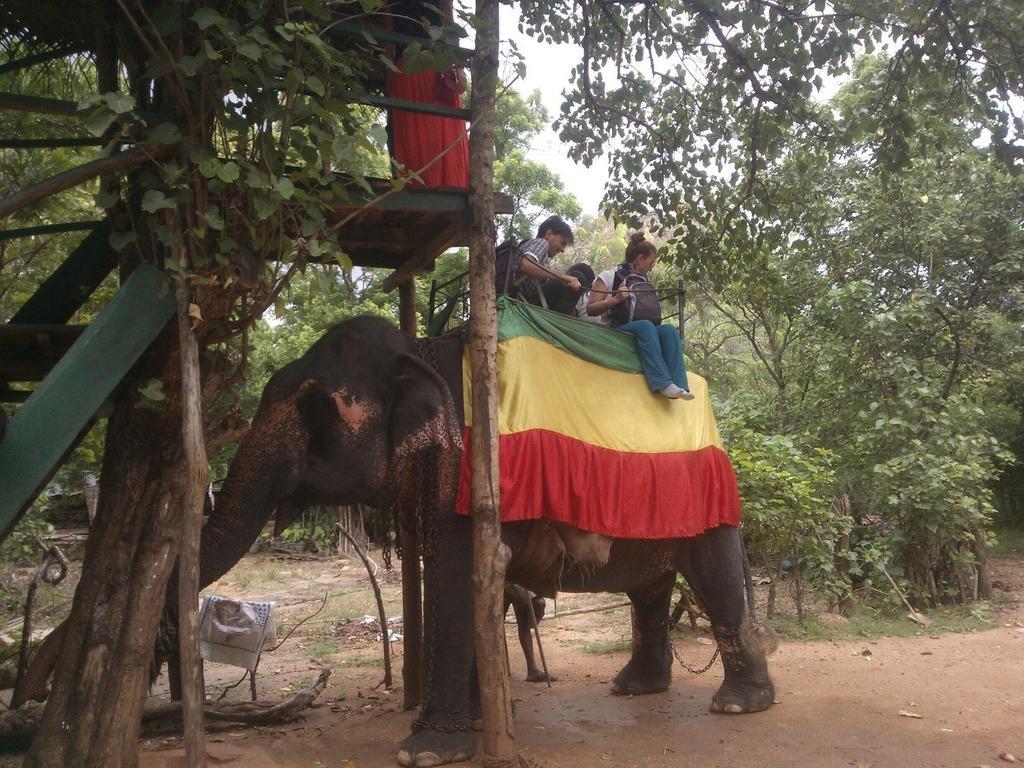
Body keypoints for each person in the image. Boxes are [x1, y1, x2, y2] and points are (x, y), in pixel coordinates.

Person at [587, 232, 694, 400]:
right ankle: (663, 383)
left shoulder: (643, 282)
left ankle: (680, 385)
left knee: (669, 330)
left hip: (641, 326)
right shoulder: (609, 275)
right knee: (645, 326)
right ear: (639, 259)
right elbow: (591, 308)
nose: (651, 267)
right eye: (650, 262)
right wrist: (616, 299)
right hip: (616, 327)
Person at [384, 0, 469, 188]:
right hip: (407, 72)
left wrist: (459, 68)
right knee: (414, 136)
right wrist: (390, 77)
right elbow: (389, 38)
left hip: (433, 70)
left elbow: (449, 25)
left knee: (441, 133)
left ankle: (451, 186)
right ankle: (420, 188)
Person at [508, 215, 586, 315]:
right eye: (562, 243)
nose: (562, 250)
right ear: (549, 234)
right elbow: (526, 265)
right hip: (524, 297)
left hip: (528, 295)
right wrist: (562, 277)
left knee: (580, 274)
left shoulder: (531, 245)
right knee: (578, 277)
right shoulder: (542, 243)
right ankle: (556, 323)